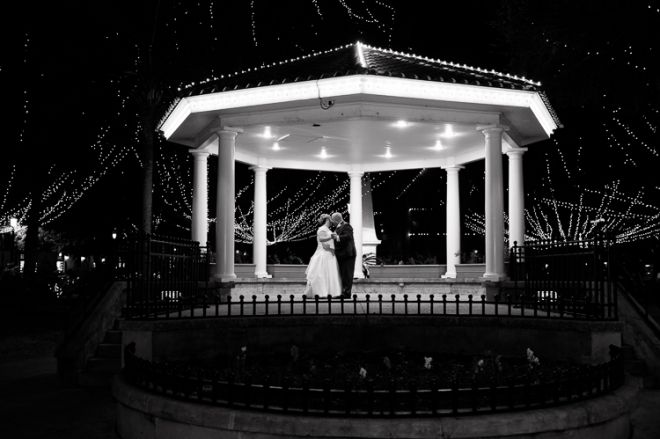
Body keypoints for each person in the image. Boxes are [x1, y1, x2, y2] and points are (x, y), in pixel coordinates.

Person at [304, 214, 342, 298]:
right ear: (327, 220)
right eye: (330, 221)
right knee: (321, 273)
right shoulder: (322, 229)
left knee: (329, 274)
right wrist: (331, 237)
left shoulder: (327, 229)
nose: (332, 223)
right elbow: (321, 239)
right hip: (323, 253)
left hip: (329, 252)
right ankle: (321, 292)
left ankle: (329, 292)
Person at [330, 212, 356, 298]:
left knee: (347, 274)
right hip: (341, 254)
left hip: (348, 254)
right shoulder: (338, 227)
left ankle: (347, 293)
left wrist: (337, 237)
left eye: (332, 220)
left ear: (336, 220)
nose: (332, 222)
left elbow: (347, 236)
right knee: (342, 274)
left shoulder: (347, 226)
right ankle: (343, 292)